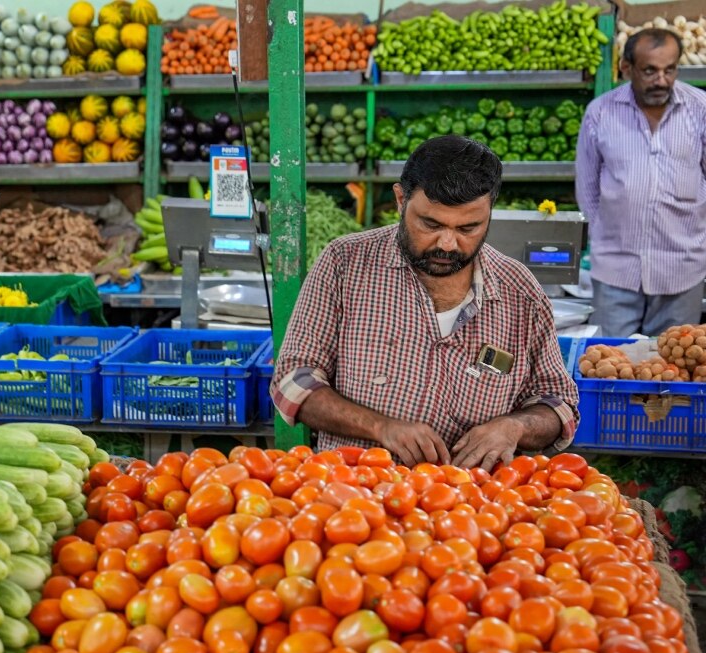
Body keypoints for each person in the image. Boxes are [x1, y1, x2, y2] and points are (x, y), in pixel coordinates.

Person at [272, 136, 579, 471]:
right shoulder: (345, 264)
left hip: (472, 507)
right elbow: (293, 381)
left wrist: (514, 427)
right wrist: (380, 427)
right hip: (354, 499)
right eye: (430, 224)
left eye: (469, 228)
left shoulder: (520, 294)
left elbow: (558, 405)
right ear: (401, 200)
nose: (447, 244)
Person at [576, 27, 706, 337]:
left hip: (682, 270)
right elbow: (588, 189)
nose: (661, 80)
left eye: (669, 70)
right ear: (626, 68)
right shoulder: (601, 113)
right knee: (609, 370)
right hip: (615, 273)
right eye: (650, 71)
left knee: (672, 373)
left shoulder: (700, 110)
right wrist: (607, 238)